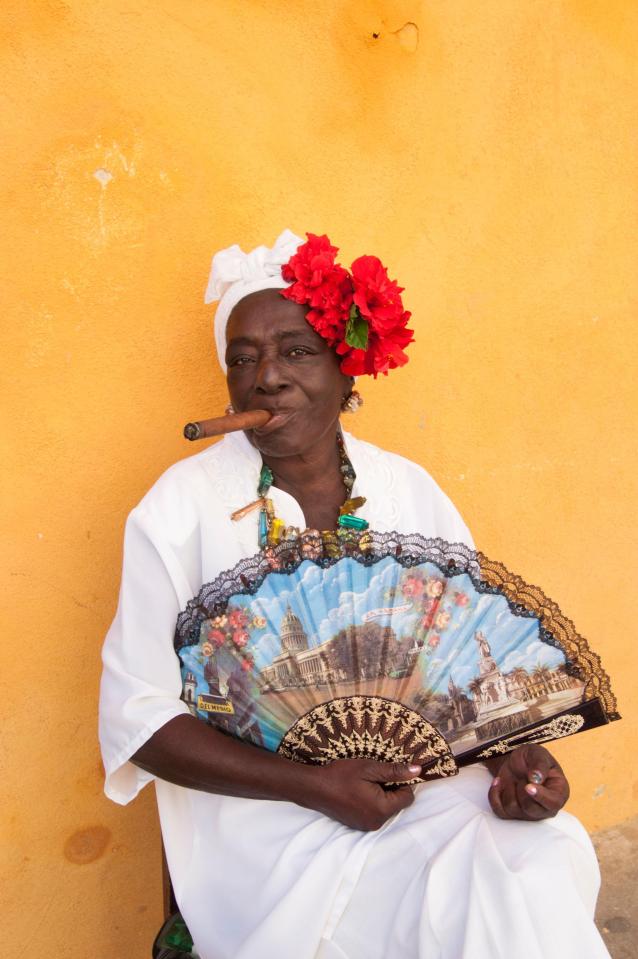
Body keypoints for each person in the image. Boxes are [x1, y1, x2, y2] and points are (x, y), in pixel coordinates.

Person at [99, 231, 609, 959]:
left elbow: (476, 662)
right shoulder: (177, 510)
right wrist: (313, 784)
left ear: (348, 371)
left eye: (296, 351)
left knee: (536, 854)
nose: (266, 377)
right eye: (243, 359)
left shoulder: (405, 489)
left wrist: (515, 762)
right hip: (258, 820)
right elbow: (139, 721)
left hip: (412, 791)